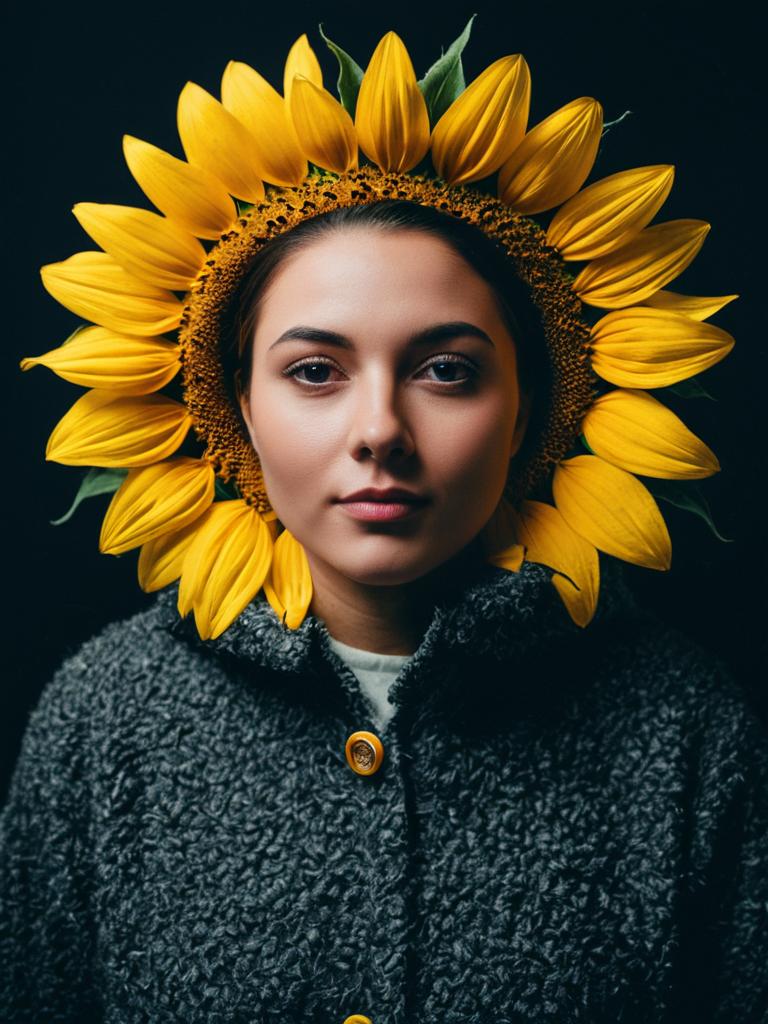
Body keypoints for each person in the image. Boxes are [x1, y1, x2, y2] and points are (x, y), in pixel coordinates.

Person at [2, 22, 766, 1024]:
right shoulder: (106, 722)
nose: (380, 432)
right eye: (314, 371)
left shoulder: (685, 732)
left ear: (533, 405)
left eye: (446, 370)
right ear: (232, 402)